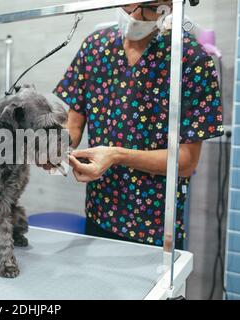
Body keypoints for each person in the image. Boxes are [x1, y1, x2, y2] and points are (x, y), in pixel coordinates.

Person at [53, 1, 224, 249]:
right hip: (99, 213)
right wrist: (53, 147)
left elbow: (186, 162)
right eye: (127, 6)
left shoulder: (190, 59)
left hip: (155, 228)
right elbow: (74, 125)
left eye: (149, 8)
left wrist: (116, 155)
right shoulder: (95, 47)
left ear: (170, 6)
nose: (134, 16)